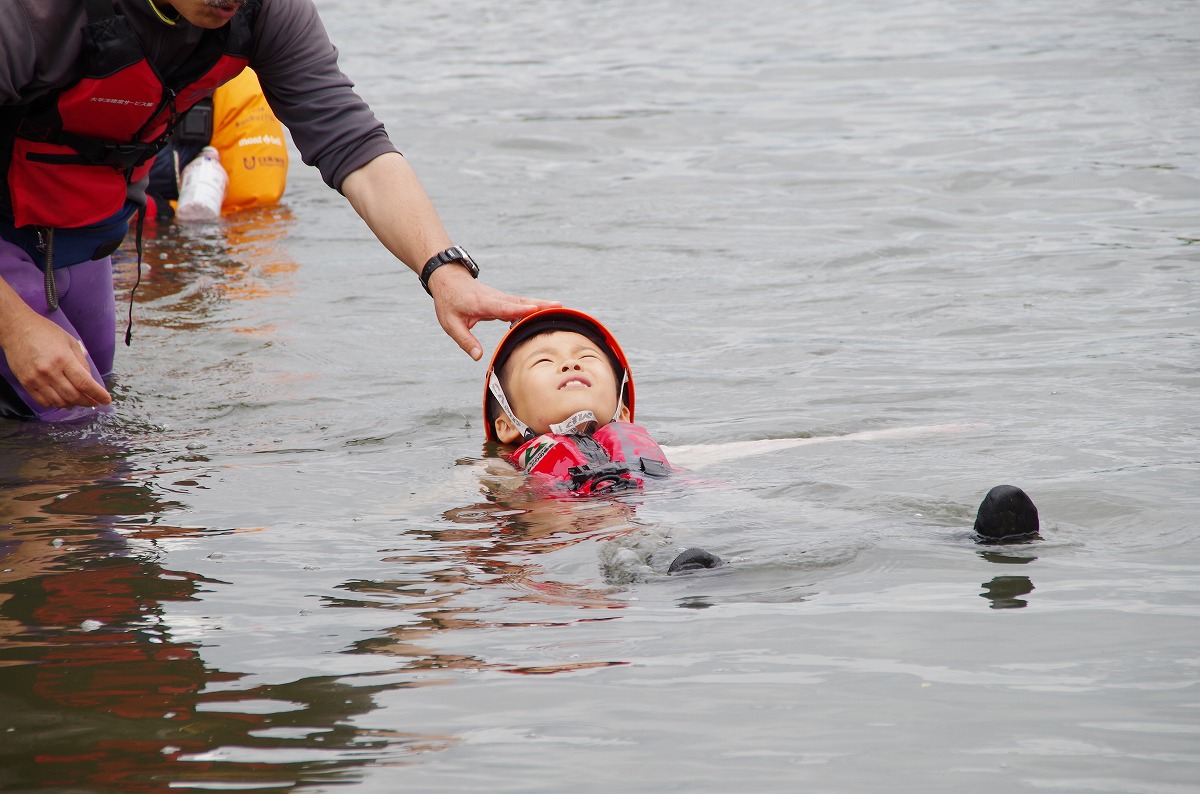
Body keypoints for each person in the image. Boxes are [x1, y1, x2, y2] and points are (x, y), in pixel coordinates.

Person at [0, 0, 556, 422]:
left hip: (83, 240)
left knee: (84, 433)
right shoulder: (33, 15)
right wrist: (16, 325)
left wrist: (444, 271)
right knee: (55, 424)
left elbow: (349, 140)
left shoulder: (265, 11)